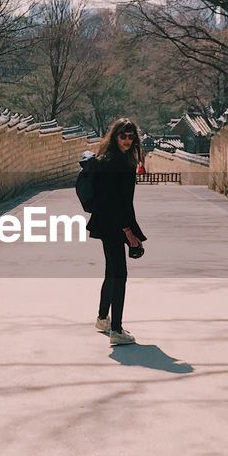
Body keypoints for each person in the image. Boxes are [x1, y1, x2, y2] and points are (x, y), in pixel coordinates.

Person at [84, 117, 147, 345]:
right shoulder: (121, 164)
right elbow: (120, 203)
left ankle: (103, 319)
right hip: (113, 224)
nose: (127, 140)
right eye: (123, 136)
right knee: (120, 275)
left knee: (112, 271)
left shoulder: (107, 159)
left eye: (131, 136)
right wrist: (129, 232)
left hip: (105, 222)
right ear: (115, 137)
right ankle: (117, 330)